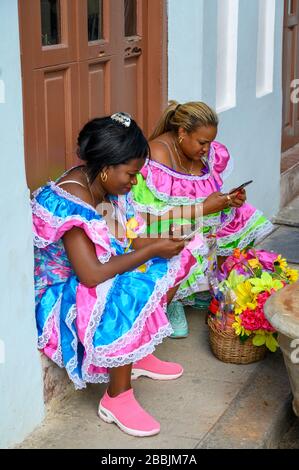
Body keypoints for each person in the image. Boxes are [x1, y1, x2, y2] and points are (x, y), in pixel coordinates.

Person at [31, 112, 207, 437]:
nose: (135, 181)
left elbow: (129, 239)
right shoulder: (73, 203)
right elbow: (92, 275)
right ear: (106, 166)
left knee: (187, 247)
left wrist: (167, 241)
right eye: (131, 173)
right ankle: (116, 396)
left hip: (93, 277)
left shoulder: (107, 189)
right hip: (61, 295)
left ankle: (137, 353)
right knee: (126, 284)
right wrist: (152, 251)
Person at [132, 101, 273, 338]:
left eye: (210, 142)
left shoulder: (201, 150)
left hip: (196, 214)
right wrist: (202, 208)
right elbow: (150, 216)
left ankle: (200, 289)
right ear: (182, 132)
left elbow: (202, 193)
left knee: (240, 215)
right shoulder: (155, 156)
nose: (207, 149)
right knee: (189, 234)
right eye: (202, 142)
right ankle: (174, 299)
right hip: (160, 225)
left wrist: (229, 199)